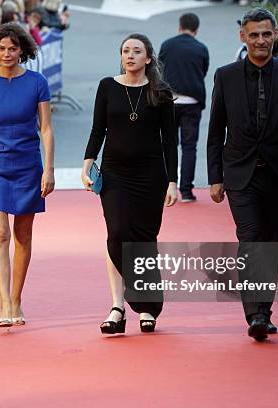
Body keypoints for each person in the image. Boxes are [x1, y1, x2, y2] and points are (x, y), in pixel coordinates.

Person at [207, 9, 278, 342]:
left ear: (275, 36)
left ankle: (264, 311)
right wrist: (215, 176)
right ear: (243, 36)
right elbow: (215, 130)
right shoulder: (225, 76)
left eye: (266, 34)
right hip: (239, 172)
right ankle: (254, 312)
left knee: (269, 242)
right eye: (253, 34)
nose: (260, 41)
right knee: (250, 236)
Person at [82, 33, 178, 335]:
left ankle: (144, 309)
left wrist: (172, 181)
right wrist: (88, 161)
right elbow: (98, 128)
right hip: (115, 174)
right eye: (126, 51)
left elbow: (170, 142)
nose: (130, 55)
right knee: (118, 234)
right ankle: (120, 304)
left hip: (151, 176)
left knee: (144, 239)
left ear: (148, 58)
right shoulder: (107, 87)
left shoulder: (160, 92)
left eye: (137, 51)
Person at [0, 23, 55, 328]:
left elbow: (45, 128)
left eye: (13, 49)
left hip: (28, 164)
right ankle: (4, 302)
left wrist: (49, 169)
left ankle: (17, 299)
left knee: (23, 235)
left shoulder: (37, 82)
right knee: (0, 233)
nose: (7, 54)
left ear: (23, 51)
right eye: (2, 48)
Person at [158, 13, 209, 203]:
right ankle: (186, 191)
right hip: (192, 102)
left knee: (168, 145)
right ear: (196, 30)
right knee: (189, 147)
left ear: (180, 27)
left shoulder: (167, 45)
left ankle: (166, 187)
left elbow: (159, 69)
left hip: (170, 101)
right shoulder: (201, 48)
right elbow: (202, 71)